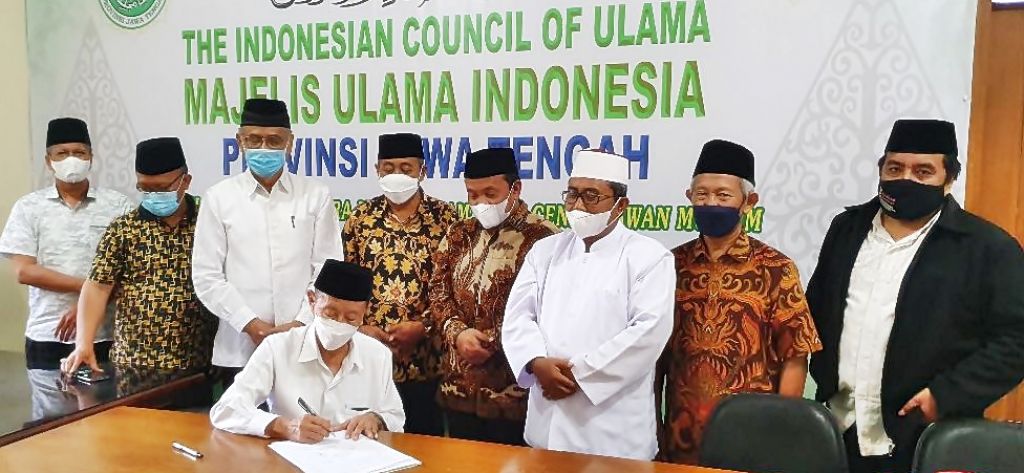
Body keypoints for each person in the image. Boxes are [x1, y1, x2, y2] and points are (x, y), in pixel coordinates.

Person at [807, 119, 1024, 473]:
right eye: (895, 168)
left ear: (949, 179)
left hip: (925, 439)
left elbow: (1016, 340)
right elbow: (816, 310)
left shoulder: (987, 248)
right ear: (881, 170)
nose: (906, 179)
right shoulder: (846, 229)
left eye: (923, 172)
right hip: (837, 432)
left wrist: (946, 395)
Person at [502, 149, 675, 460]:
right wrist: (536, 362)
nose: (578, 205)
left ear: (621, 205)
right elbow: (518, 317)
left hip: (613, 434)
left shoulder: (649, 257)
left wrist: (580, 374)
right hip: (546, 424)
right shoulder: (544, 251)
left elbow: (648, 334)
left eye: (591, 196)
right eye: (572, 194)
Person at [656, 139, 822, 464]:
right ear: (689, 197)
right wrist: (655, 429)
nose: (710, 203)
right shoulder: (670, 265)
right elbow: (655, 358)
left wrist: (782, 430)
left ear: (748, 202)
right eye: (702, 195)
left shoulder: (776, 268)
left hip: (753, 436)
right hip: (681, 436)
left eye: (723, 196)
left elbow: (795, 355)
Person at [193, 99, 344, 387]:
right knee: (240, 417)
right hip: (239, 349)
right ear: (240, 142)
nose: (264, 148)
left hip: (304, 345)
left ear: (290, 143)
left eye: (274, 140)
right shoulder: (219, 198)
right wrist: (250, 324)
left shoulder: (315, 195)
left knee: (305, 417)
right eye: (254, 139)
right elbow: (206, 276)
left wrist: (300, 324)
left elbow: (328, 269)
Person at [61, 137, 217, 406]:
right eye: (145, 188)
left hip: (199, 365)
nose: (153, 196)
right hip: (135, 366)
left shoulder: (210, 220)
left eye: (161, 188)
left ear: (185, 181)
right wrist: (84, 343)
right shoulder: (124, 229)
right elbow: (97, 287)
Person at [431, 148, 558, 445]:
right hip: (458, 390)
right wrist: (457, 332)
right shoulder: (459, 233)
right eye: (472, 195)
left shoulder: (543, 238)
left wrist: (492, 340)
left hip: (514, 395)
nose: (481, 204)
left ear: (516, 188)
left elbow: (549, 308)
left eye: (490, 194)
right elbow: (438, 291)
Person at [210, 259, 405, 442]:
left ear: (365, 312)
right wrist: (285, 427)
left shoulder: (377, 355)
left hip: (357, 458)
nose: (339, 324)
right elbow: (226, 410)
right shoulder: (277, 348)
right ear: (312, 301)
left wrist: (376, 419)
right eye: (330, 314)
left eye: (351, 318)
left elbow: (395, 416)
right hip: (291, 459)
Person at [342, 132, 458, 436]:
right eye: (388, 168)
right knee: (368, 441)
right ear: (377, 170)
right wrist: (361, 328)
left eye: (406, 169)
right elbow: (346, 284)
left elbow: (453, 285)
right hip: (369, 355)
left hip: (426, 360)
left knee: (425, 444)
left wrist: (424, 326)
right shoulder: (360, 218)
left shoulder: (446, 218)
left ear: (423, 171)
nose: (396, 175)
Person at [0, 118, 131, 369]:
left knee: (110, 395)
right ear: (48, 160)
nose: (72, 159)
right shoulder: (28, 207)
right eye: (62, 153)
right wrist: (90, 293)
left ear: (91, 158)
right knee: (48, 395)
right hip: (48, 334)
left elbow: (131, 272)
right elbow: (24, 271)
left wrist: (91, 304)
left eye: (79, 152)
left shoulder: (118, 205)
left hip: (106, 335)